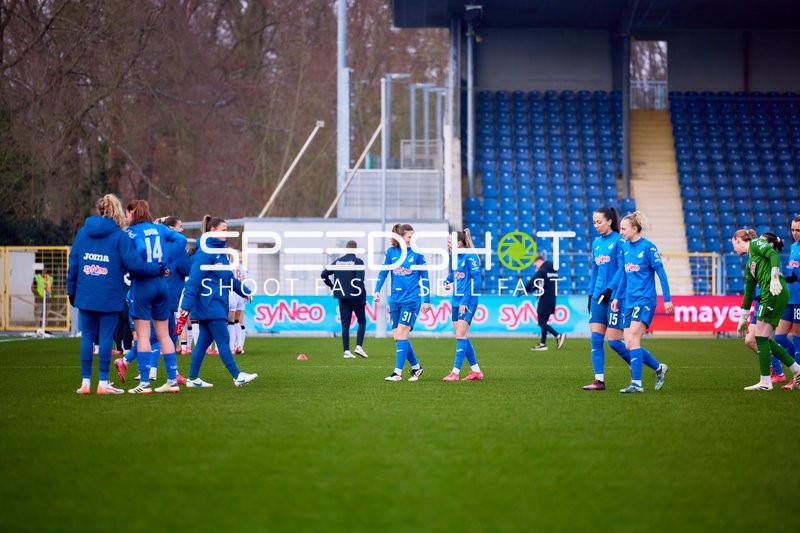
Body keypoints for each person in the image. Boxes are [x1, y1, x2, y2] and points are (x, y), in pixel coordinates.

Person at [67, 194, 162, 395]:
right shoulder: (120, 236)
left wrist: (71, 291)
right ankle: (103, 383)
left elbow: (74, 264)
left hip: (86, 293)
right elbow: (135, 264)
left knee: (88, 337)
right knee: (105, 338)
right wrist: (158, 269)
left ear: (99, 210)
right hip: (109, 294)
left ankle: (85, 383)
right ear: (116, 210)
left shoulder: (83, 233)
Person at [179, 215, 258, 388]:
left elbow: (228, 277)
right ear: (212, 230)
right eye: (224, 230)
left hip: (215, 303)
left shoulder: (219, 252)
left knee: (202, 342)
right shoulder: (206, 252)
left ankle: (192, 378)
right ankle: (238, 376)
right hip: (210, 304)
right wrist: (185, 307)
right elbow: (193, 281)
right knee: (223, 339)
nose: (226, 233)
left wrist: (244, 291)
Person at [122, 199, 182, 394]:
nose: (126, 216)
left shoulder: (130, 232)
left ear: (132, 213)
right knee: (164, 334)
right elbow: (181, 240)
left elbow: (135, 252)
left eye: (127, 212)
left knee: (144, 335)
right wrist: (166, 262)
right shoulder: (159, 228)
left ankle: (145, 383)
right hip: (162, 284)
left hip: (143, 283)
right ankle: (172, 381)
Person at [609, 212, 672, 393]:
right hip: (628, 300)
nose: (620, 231)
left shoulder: (648, 248)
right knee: (628, 343)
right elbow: (624, 275)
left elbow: (661, 273)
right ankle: (659, 368)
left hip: (645, 300)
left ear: (635, 229)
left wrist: (666, 299)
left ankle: (636, 383)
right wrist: (616, 297)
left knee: (633, 339)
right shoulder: (625, 248)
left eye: (623, 228)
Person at [732, 228, 800, 390]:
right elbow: (749, 291)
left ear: (739, 239)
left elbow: (774, 255)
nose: (733, 248)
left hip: (774, 291)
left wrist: (775, 276)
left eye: (733, 244)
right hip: (770, 294)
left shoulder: (756, 243)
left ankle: (766, 381)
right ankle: (795, 369)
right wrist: (743, 318)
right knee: (763, 338)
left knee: (760, 337)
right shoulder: (750, 263)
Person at [374, 223, 431, 381]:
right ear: (400, 238)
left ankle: (397, 373)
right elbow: (383, 273)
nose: (412, 239)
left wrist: (427, 300)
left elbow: (425, 277)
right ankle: (416, 368)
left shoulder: (418, 253)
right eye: (409, 237)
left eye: (413, 236)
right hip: (395, 301)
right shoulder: (391, 253)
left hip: (411, 300)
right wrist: (377, 290)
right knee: (397, 336)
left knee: (401, 334)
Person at [584, 207, 629, 389]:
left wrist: (610, 290)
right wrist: (590, 295)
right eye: (594, 222)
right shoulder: (596, 244)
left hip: (614, 297)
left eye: (599, 222)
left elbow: (622, 268)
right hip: (597, 297)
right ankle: (599, 380)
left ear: (609, 221)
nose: (596, 225)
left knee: (615, 343)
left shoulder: (619, 241)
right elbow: (595, 271)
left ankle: (638, 362)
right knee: (595, 339)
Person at [442, 229, 484, 381]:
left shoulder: (470, 257)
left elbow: (476, 281)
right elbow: (455, 274)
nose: (447, 245)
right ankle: (476, 371)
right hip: (455, 301)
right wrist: (447, 281)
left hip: (467, 302)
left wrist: (465, 301)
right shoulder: (455, 256)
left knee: (460, 334)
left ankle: (455, 372)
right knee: (462, 336)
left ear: (458, 243)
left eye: (449, 242)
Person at [321, 240, 368, 359]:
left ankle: (346, 351)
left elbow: (323, 274)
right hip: (356, 297)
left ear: (346, 249)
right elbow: (359, 281)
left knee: (345, 324)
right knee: (361, 321)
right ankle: (358, 346)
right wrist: (363, 296)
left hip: (342, 296)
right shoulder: (358, 262)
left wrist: (333, 286)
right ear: (356, 249)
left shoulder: (338, 262)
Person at [772, 216, 800, 387]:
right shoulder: (794, 247)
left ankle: (796, 379)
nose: (795, 233)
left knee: (797, 336)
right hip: (791, 298)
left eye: (798, 230)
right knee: (780, 336)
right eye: (793, 229)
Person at [525, 255, 565, 351]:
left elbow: (531, 282)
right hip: (552, 299)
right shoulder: (553, 271)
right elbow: (544, 283)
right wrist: (533, 289)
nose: (536, 267)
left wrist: (525, 289)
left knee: (541, 322)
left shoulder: (542, 271)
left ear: (539, 261)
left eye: (535, 265)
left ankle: (558, 335)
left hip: (543, 299)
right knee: (544, 322)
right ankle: (543, 343)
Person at [228, 250, 250, 355]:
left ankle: (236, 346)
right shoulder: (242, 268)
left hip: (234, 294)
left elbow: (247, 282)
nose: (240, 259)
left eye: (241, 257)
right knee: (236, 321)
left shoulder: (229, 266)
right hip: (239, 293)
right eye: (239, 257)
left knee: (234, 321)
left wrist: (246, 292)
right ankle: (238, 346)